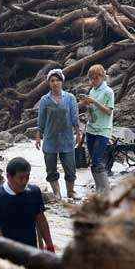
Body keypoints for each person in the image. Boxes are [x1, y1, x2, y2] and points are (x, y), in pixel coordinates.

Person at [0, 157, 55, 251]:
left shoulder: (33, 192)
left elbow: (41, 220)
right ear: (8, 177)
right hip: (5, 251)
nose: (24, 182)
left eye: (27, 177)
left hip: (30, 250)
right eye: (20, 178)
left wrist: (49, 245)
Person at [35, 69, 81, 200]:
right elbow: (41, 120)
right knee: (51, 168)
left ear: (62, 82)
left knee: (70, 168)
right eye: (52, 80)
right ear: (49, 83)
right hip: (50, 139)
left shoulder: (70, 98)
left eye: (57, 80)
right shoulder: (45, 100)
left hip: (66, 138)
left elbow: (74, 117)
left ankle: (71, 192)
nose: (55, 83)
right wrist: (38, 136)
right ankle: (57, 193)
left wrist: (78, 133)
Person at [79, 65, 113, 191]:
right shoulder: (92, 91)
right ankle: (99, 188)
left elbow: (109, 111)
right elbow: (92, 111)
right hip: (91, 129)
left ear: (102, 77)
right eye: (91, 79)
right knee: (93, 161)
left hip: (103, 130)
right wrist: (87, 104)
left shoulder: (108, 92)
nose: (93, 81)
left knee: (97, 160)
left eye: (95, 78)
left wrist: (94, 102)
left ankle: (105, 190)